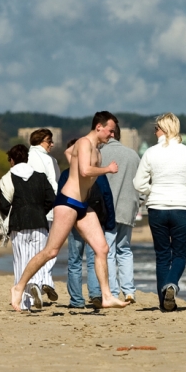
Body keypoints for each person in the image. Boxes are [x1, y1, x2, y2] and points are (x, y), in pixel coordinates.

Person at [10, 111, 129, 311]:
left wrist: (74, 158)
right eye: (110, 131)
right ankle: (19, 287)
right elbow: (84, 170)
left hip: (83, 205)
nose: (112, 135)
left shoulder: (95, 149)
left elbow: (69, 154)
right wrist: (107, 169)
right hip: (67, 202)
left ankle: (107, 296)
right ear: (98, 127)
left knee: (102, 249)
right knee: (51, 251)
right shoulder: (84, 143)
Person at [134, 113, 186, 312]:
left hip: (157, 207)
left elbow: (138, 183)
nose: (154, 131)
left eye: (156, 128)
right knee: (180, 254)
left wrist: (152, 191)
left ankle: (164, 302)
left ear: (163, 129)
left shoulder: (150, 153)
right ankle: (172, 284)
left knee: (162, 255)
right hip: (181, 207)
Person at [0, 144, 55, 310]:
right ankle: (36, 284)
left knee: (21, 262)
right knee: (38, 259)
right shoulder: (40, 176)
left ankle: (24, 302)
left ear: (12, 160)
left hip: (19, 223)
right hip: (39, 223)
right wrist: (40, 210)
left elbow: (3, 205)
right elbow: (51, 198)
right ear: (27, 159)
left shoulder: (7, 178)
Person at [63, 147, 117, 308]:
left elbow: (60, 195)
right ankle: (95, 294)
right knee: (95, 258)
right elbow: (107, 196)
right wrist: (110, 221)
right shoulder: (98, 174)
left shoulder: (67, 174)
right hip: (94, 218)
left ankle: (77, 300)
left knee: (75, 260)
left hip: (74, 218)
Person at [99, 123, 141, 303]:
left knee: (108, 251)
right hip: (127, 208)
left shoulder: (100, 154)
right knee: (124, 250)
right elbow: (140, 183)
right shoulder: (133, 155)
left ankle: (113, 291)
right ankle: (129, 290)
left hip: (107, 209)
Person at [27, 128, 61, 302]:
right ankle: (45, 280)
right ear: (41, 141)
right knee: (50, 248)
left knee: (33, 249)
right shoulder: (50, 160)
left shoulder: (25, 157)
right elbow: (55, 185)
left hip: (27, 208)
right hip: (48, 208)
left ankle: (37, 283)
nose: (52, 144)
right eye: (49, 141)